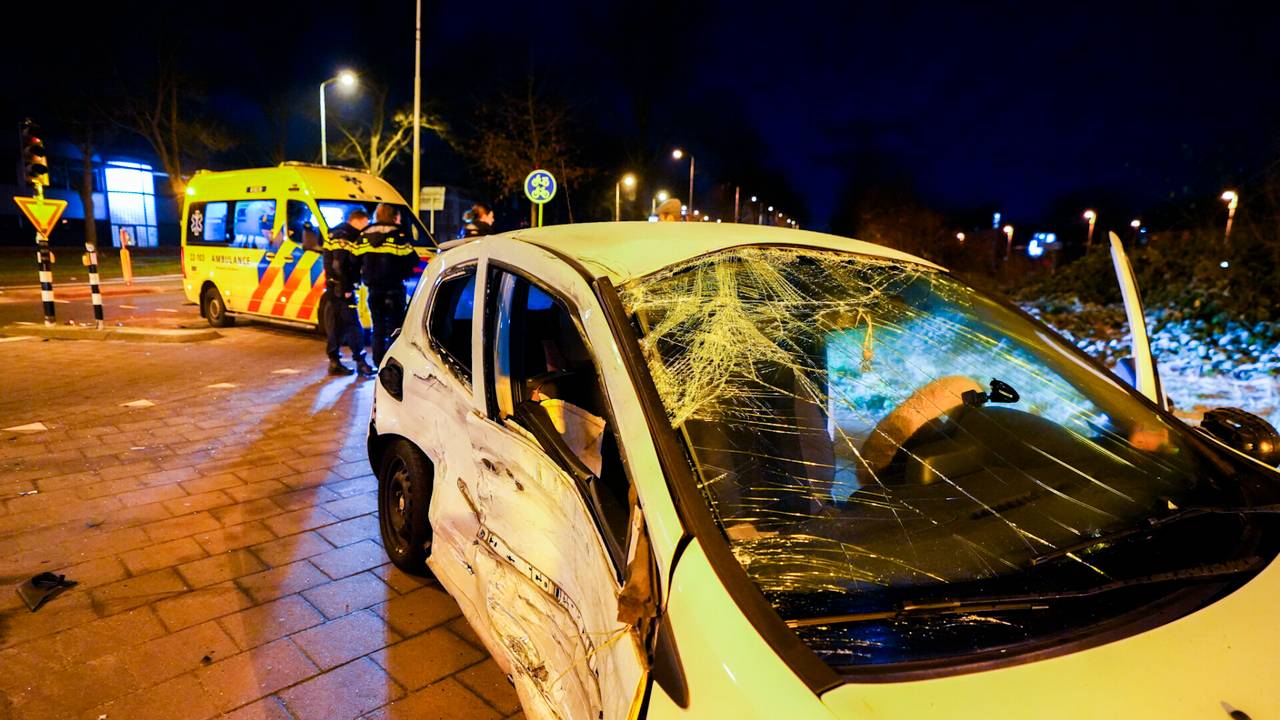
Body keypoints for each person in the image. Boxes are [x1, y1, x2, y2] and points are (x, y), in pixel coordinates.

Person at [355, 204, 418, 365]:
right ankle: (392, 363)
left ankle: (377, 361)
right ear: (394, 217)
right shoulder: (399, 236)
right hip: (394, 289)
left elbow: (354, 259)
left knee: (378, 326)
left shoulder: (364, 236)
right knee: (395, 328)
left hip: (374, 290)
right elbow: (412, 259)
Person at [323, 208, 374, 376]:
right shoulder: (345, 235)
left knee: (336, 326)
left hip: (335, 287)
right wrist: (346, 288)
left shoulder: (336, 232)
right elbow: (339, 265)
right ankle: (360, 362)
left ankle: (335, 362)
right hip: (341, 288)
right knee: (352, 325)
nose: (366, 227)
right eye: (366, 223)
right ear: (358, 220)